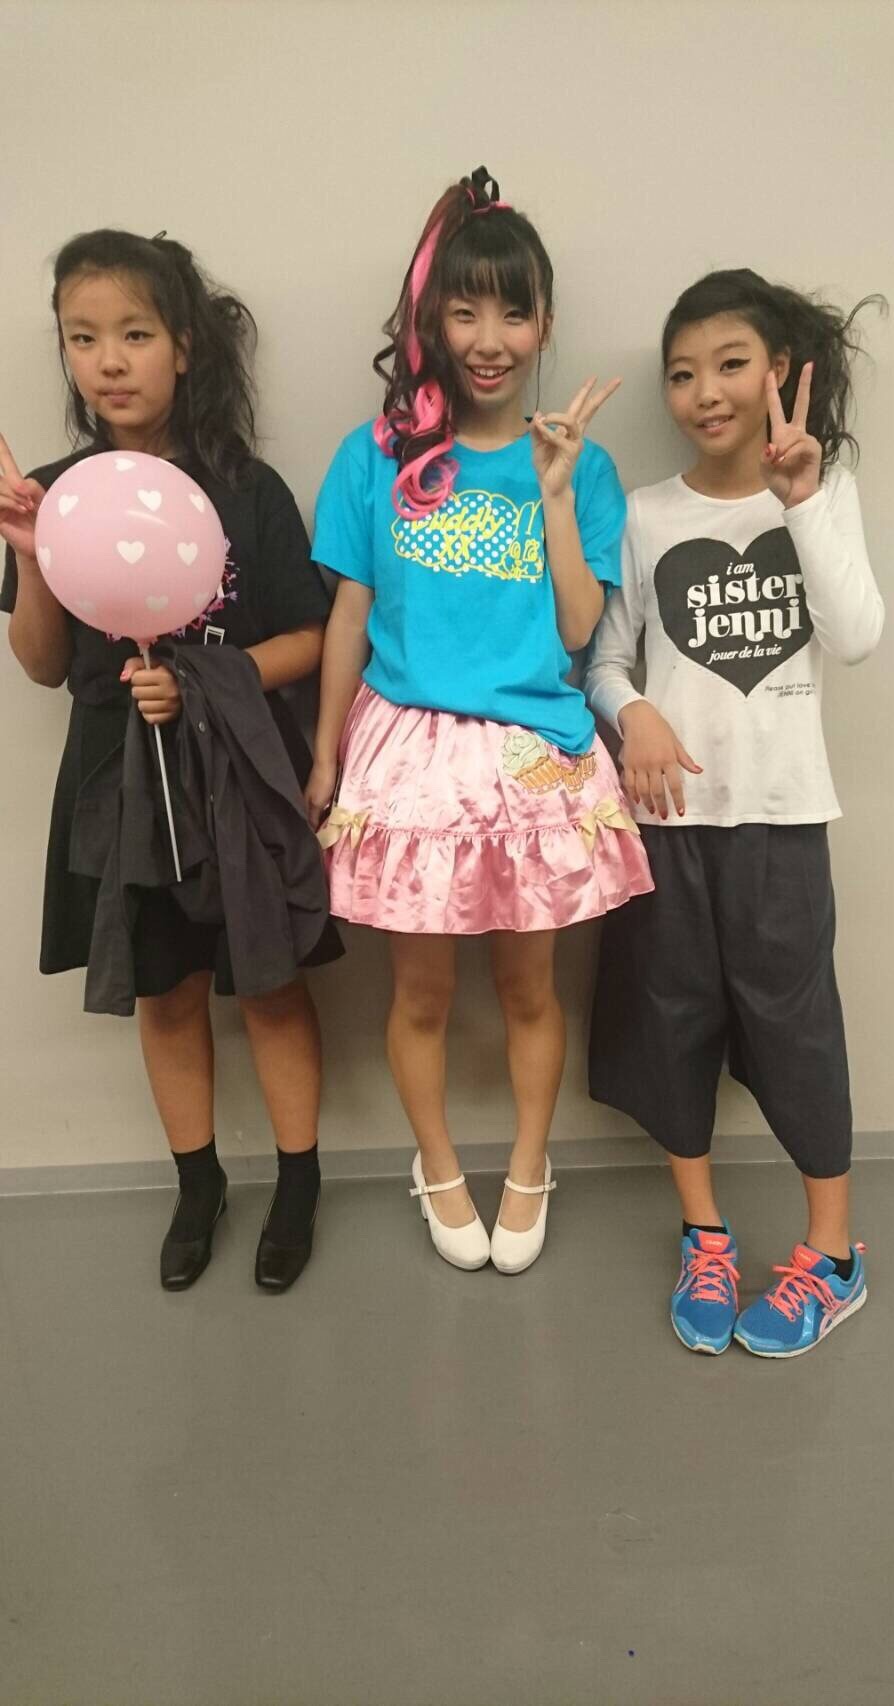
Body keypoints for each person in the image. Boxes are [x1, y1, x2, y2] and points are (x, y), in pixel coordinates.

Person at [306, 168, 652, 1276]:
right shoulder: (374, 455)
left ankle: (532, 1164)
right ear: (432, 321)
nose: (490, 339)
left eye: (513, 311)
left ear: (544, 320)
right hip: (408, 751)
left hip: (529, 752)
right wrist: (323, 755)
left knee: (528, 988)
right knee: (419, 991)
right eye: (465, 311)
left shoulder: (584, 467)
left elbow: (581, 627)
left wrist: (551, 490)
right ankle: (440, 1165)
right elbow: (348, 613)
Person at [0, 229, 341, 1293]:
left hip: (238, 774)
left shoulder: (245, 487)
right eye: (83, 338)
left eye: (136, 334)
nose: (109, 360)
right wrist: (29, 553)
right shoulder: (55, 492)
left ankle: (299, 1182)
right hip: (119, 781)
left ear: (184, 348)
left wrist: (202, 680)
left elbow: (312, 635)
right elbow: (43, 665)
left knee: (269, 984)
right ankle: (199, 1186)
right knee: (166, 990)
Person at [585, 268, 884, 1355]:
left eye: (729, 365)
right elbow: (606, 661)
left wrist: (799, 501)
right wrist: (635, 716)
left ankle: (833, 1256)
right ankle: (704, 1234)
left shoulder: (820, 486)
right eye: (682, 373)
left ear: (778, 373)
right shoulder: (644, 515)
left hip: (782, 818)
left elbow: (857, 635)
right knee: (669, 1023)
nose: (705, 392)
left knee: (799, 1031)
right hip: (667, 824)